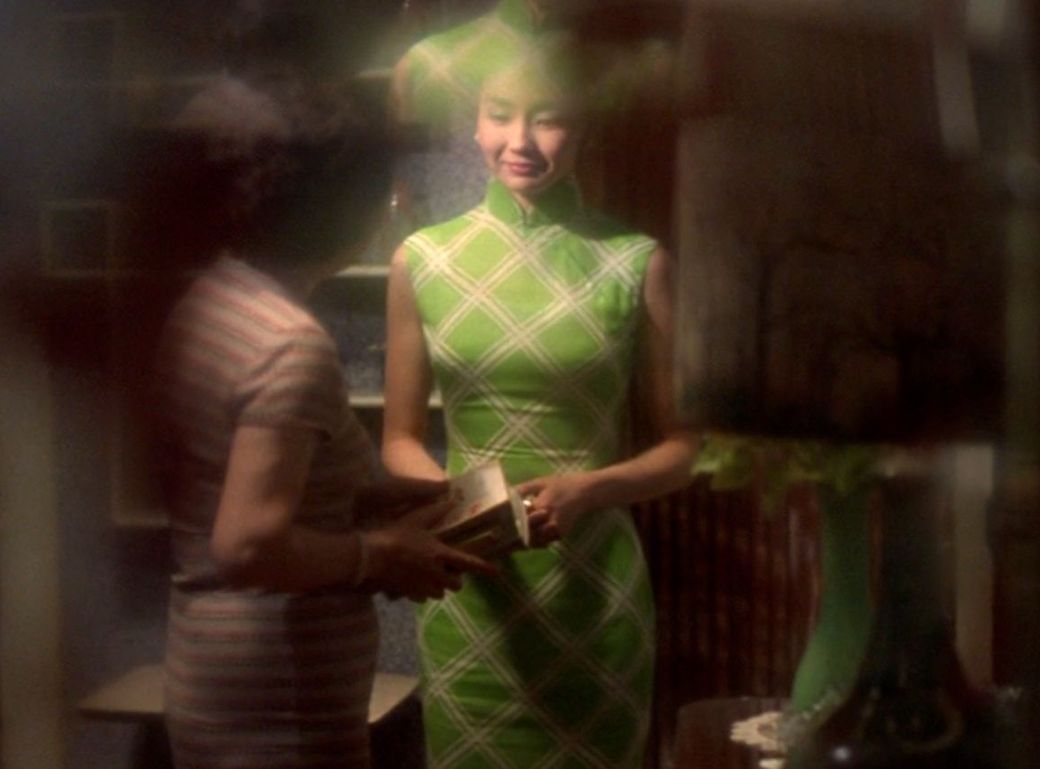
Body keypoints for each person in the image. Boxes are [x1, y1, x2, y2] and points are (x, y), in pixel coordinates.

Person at [150, 75, 494, 769]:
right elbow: (247, 545)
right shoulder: (289, 343)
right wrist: (381, 555)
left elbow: (235, 486)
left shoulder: (212, 298)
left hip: (211, 671)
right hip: (281, 696)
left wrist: (366, 500)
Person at [382, 39, 699, 768]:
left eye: (548, 119)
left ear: (584, 130)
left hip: (595, 600)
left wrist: (591, 489)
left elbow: (686, 448)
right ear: (474, 124)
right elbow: (399, 439)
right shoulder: (420, 260)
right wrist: (465, 503)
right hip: (469, 594)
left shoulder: (637, 261)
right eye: (500, 114)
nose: (520, 140)